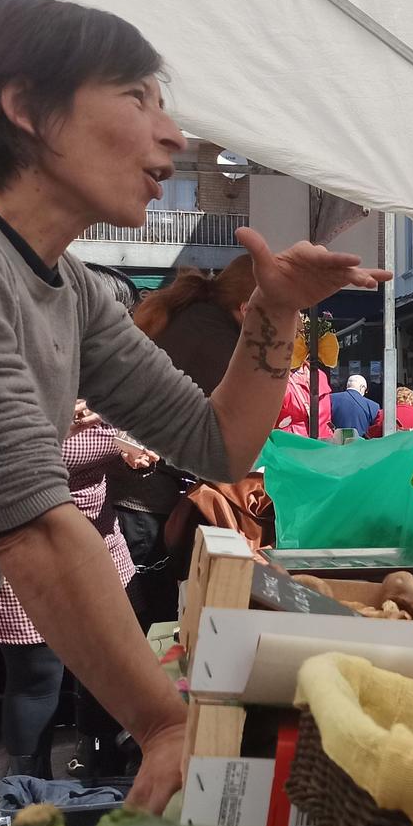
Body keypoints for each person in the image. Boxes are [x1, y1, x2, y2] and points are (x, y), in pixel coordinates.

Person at [0, 0, 387, 826]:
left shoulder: (72, 286)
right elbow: (34, 527)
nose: (170, 134)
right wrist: (164, 722)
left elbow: (217, 444)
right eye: (138, 97)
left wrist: (273, 310)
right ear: (22, 108)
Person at [0, 405, 137, 778]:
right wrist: (60, 421)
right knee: (37, 675)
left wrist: (131, 448)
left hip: (100, 544)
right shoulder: (11, 384)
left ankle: (99, 763)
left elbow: (134, 436)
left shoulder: (103, 377)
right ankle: (28, 790)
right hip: (26, 547)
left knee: (106, 661)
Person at [109, 256, 255, 627]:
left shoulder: (197, 316)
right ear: (248, 307)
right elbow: (223, 433)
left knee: (139, 611)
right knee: (146, 617)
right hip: (144, 495)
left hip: (140, 490)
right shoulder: (215, 334)